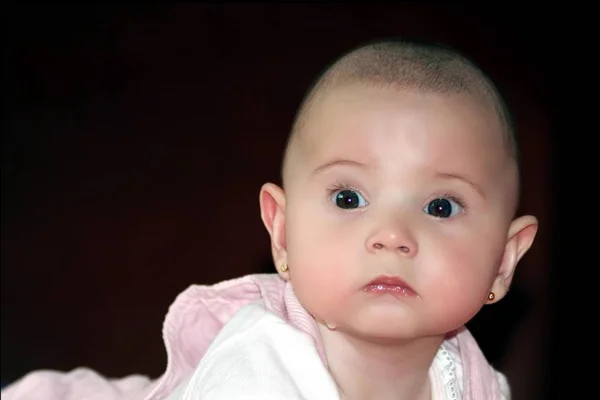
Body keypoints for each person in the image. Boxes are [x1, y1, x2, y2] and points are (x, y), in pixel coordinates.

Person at [2, 37, 538, 400]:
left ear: (503, 261)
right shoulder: (256, 367)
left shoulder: (473, 382)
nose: (392, 237)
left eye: (440, 206)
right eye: (349, 198)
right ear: (282, 234)